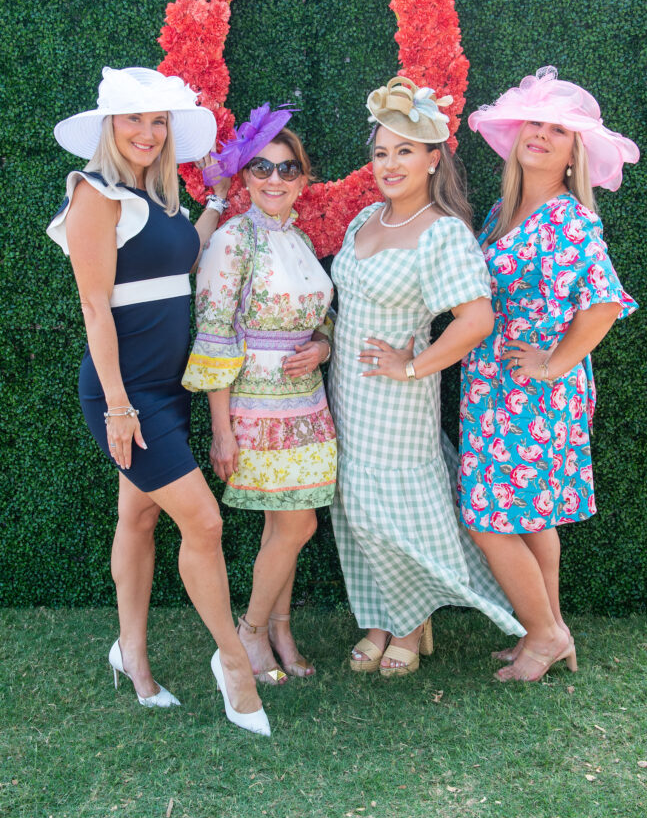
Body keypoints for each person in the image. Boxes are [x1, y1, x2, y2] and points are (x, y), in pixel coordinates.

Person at [48, 66, 270, 736]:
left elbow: (178, 260)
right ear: (109, 127)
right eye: (133, 119)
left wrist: (214, 204)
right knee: (202, 523)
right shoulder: (94, 194)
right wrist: (118, 405)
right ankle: (232, 663)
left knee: (138, 521)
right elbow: (94, 305)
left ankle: (134, 656)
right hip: (126, 393)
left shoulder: (158, 195)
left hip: (171, 387)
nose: (146, 132)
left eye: (158, 122)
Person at [328, 76, 524, 677]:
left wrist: (411, 364)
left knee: (394, 509)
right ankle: (380, 620)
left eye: (405, 151)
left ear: (433, 158)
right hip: (346, 392)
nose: (390, 164)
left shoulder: (443, 231)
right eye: (381, 152)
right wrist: (319, 342)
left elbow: (476, 319)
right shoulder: (366, 218)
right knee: (357, 508)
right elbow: (343, 305)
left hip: (400, 400)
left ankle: (413, 627)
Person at [459, 65, 639, 682]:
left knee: (490, 517)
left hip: (530, 392)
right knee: (531, 515)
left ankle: (544, 631)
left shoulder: (569, 218)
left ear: (572, 154)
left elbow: (606, 302)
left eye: (556, 131)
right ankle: (551, 630)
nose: (540, 134)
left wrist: (553, 362)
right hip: (494, 386)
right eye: (533, 123)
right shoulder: (503, 213)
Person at [182, 105, 336, 685]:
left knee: (288, 523)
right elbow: (216, 331)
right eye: (262, 169)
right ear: (244, 178)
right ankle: (249, 632)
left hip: (308, 402)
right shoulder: (232, 239)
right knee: (298, 527)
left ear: (304, 179)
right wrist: (222, 429)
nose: (275, 179)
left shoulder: (296, 238)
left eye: (288, 169)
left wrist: (322, 347)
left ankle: (280, 629)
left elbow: (320, 318)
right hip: (255, 406)